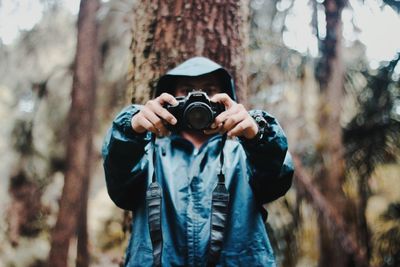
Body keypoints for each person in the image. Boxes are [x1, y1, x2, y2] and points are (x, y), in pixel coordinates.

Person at [102, 57, 294, 267]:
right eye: (186, 91)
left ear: (225, 101)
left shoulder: (246, 154)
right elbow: (119, 181)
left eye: (209, 90)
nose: (197, 99)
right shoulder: (147, 154)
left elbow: (278, 179)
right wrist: (130, 129)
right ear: (169, 100)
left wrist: (259, 135)